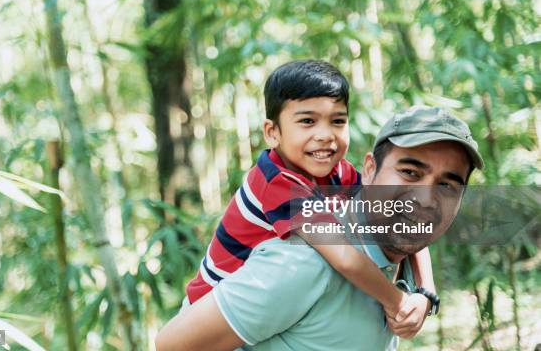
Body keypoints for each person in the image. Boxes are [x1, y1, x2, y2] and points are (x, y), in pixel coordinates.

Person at [156, 105, 484, 350]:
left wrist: (426, 292)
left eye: (447, 186)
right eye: (410, 173)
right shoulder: (304, 264)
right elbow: (172, 346)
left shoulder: (393, 241)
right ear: (369, 171)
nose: (425, 200)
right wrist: (397, 301)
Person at [184, 61, 433, 335]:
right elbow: (344, 258)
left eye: (338, 121)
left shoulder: (338, 172)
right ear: (272, 133)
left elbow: (398, 218)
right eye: (307, 121)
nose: (325, 135)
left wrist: (426, 293)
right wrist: (397, 302)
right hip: (210, 311)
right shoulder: (277, 182)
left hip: (264, 303)